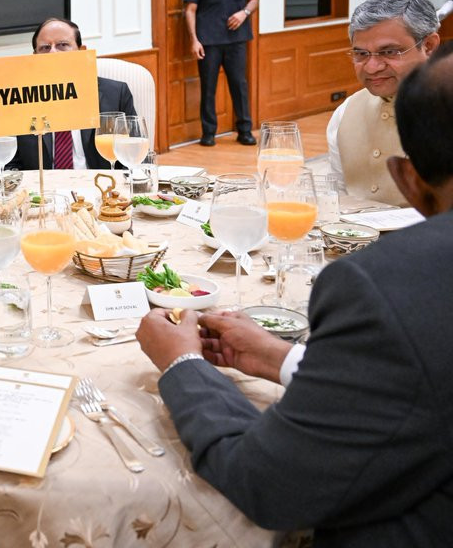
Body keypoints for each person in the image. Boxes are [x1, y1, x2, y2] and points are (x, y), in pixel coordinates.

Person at [134, 42, 453, 545]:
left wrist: (183, 365)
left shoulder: (386, 286)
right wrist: (282, 359)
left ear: (408, 181)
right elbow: (424, 383)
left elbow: (271, 485)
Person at [325, 0, 441, 206]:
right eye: (361, 54)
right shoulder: (346, 112)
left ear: (429, 46)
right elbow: (338, 197)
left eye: (389, 52)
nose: (372, 67)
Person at [8, 17, 138, 170]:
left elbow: (134, 156)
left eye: (62, 45)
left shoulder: (116, 94)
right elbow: (9, 164)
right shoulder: (18, 99)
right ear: (35, 56)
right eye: (45, 48)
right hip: (42, 184)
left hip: (99, 183)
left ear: (81, 51)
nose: (53, 53)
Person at [184, 0, 258, 147]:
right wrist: (194, 40)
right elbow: (190, 10)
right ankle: (208, 133)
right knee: (208, 88)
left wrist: (244, 13)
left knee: (239, 85)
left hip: (236, 41)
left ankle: (245, 131)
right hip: (209, 42)